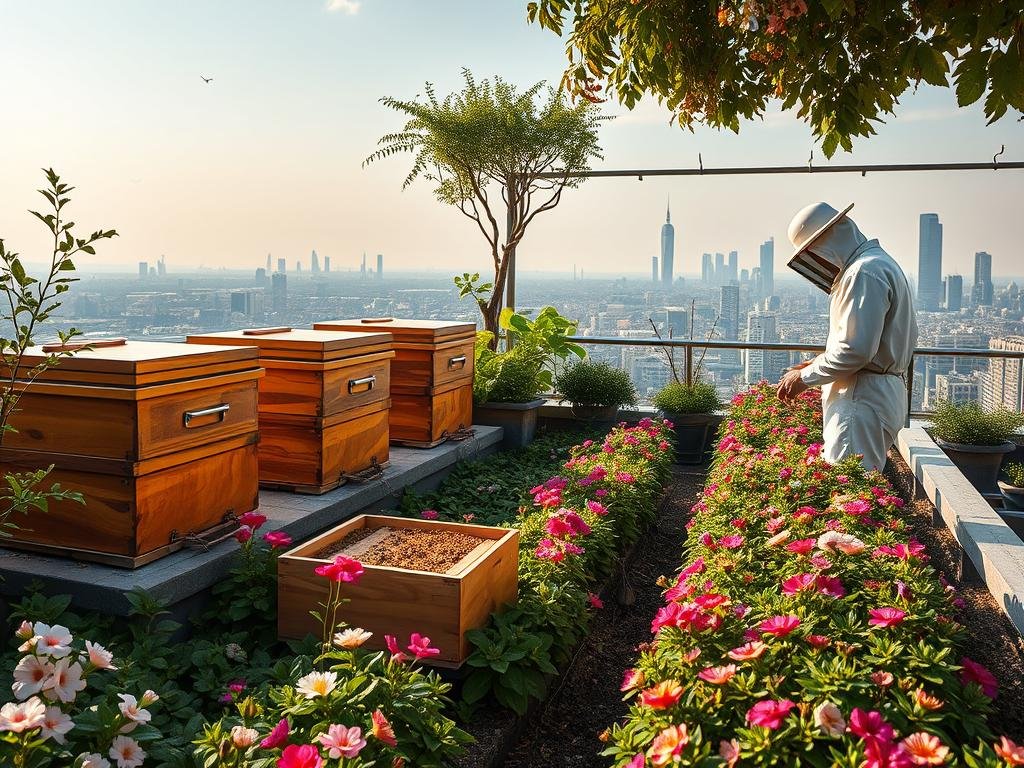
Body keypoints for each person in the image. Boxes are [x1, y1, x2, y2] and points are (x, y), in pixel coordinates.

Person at [776, 202, 918, 471]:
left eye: (813, 253)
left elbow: (855, 349)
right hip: (875, 393)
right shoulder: (879, 263)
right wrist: (815, 365)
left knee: (848, 487)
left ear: (824, 242)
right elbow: (872, 344)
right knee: (858, 489)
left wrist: (804, 378)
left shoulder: (863, 272)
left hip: (861, 399)